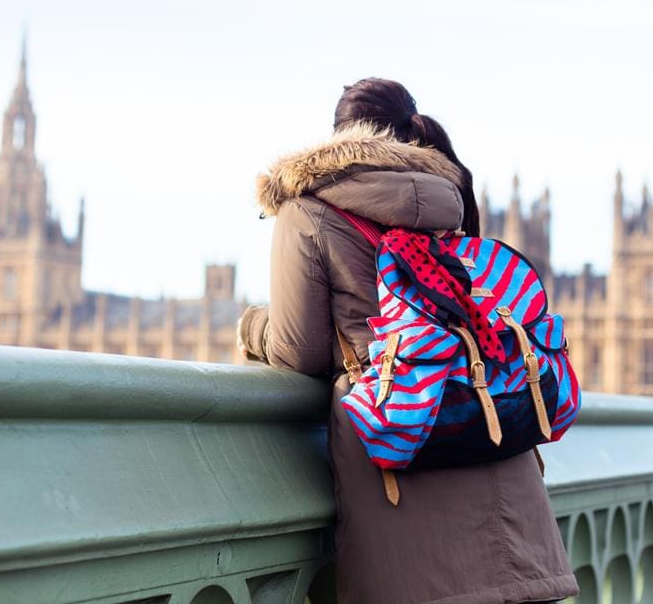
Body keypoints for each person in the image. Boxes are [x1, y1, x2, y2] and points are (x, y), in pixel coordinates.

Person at [238, 78, 579, 604]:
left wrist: (252, 326)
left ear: (337, 138)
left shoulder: (306, 211)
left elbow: (298, 350)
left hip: (404, 467)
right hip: (499, 458)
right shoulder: (451, 206)